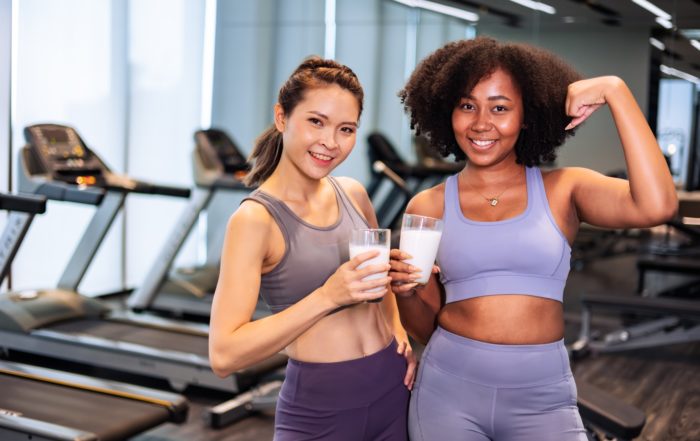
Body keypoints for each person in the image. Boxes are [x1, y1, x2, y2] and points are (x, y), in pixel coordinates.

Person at [389, 37, 677, 441]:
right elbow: (426, 327)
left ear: (526, 116)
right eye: (467, 105)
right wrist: (405, 292)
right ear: (447, 112)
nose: (481, 123)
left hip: (543, 400)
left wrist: (616, 90)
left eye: (500, 107)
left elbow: (657, 206)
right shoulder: (428, 205)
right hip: (446, 394)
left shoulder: (565, 188)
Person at [209, 57, 416, 441]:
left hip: (393, 388)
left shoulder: (353, 193)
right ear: (282, 117)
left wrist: (399, 330)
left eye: (346, 129)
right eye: (316, 122)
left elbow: (378, 280)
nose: (330, 143)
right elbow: (224, 355)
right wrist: (328, 296)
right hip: (321, 410)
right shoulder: (256, 219)